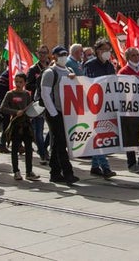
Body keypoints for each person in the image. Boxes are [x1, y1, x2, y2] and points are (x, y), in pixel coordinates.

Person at [42, 46, 78, 185]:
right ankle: (68, 172)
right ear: (55, 56)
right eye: (61, 54)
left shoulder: (69, 71)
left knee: (58, 143)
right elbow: (46, 94)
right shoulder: (50, 73)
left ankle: (55, 173)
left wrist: (74, 79)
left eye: (65, 54)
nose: (64, 56)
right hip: (55, 113)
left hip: (67, 113)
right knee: (61, 143)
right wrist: (54, 113)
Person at [84, 39, 118, 178]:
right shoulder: (89, 65)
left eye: (109, 50)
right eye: (104, 49)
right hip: (94, 105)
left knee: (101, 134)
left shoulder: (110, 65)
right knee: (98, 135)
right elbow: (86, 84)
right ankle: (105, 167)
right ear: (97, 50)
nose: (107, 52)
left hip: (107, 105)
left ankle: (95, 166)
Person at [0, 72, 39, 181]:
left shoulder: (27, 94)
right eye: (16, 81)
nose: (18, 84)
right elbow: (2, 108)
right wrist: (16, 112)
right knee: (15, 148)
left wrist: (33, 112)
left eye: (21, 82)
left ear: (25, 83)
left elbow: (30, 108)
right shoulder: (10, 94)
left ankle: (29, 172)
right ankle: (16, 171)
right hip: (15, 125)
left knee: (29, 149)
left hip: (26, 125)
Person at [25, 50, 51, 166]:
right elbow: (28, 85)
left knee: (53, 130)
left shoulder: (51, 67)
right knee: (38, 131)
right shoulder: (33, 69)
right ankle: (43, 154)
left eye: (45, 53)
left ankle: (44, 147)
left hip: (51, 102)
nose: (43, 55)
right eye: (40, 53)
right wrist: (40, 83)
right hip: (39, 102)